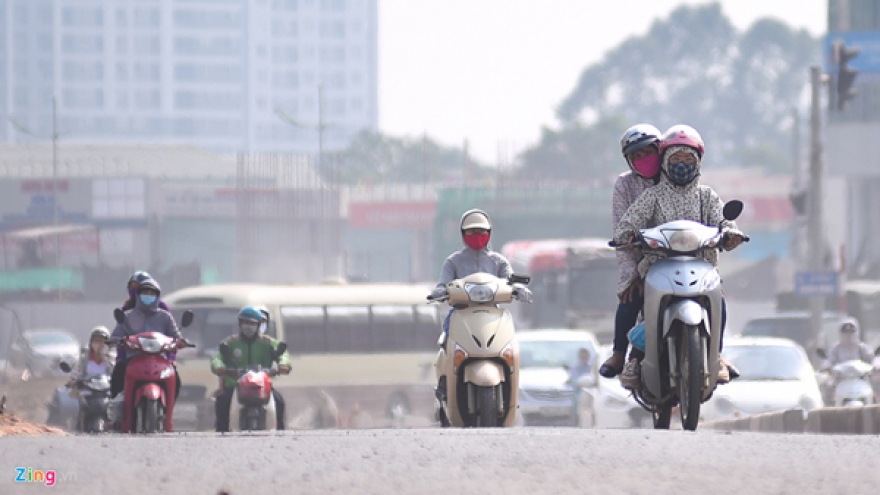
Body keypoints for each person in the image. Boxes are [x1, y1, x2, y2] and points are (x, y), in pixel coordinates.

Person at [613, 124, 745, 389]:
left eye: (688, 159)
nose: (682, 165)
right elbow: (627, 222)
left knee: (719, 299)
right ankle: (631, 357)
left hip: (702, 264)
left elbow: (723, 220)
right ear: (666, 162)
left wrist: (731, 233)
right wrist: (627, 236)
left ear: (698, 162)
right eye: (676, 159)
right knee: (638, 303)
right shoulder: (652, 195)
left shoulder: (706, 195)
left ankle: (716, 356)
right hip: (656, 264)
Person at [428, 208, 530, 399]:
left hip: (493, 313)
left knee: (509, 345)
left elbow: (509, 280)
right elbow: (443, 283)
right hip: (461, 313)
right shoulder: (453, 262)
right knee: (445, 339)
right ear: (462, 234)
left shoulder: (499, 261)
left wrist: (518, 288)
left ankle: (512, 381)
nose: (476, 236)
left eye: (481, 232)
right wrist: (440, 292)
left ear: (489, 233)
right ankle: (444, 381)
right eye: (471, 232)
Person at [599, 124, 663, 379]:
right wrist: (631, 275)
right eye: (635, 156)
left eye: (647, 152)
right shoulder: (625, 185)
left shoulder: (678, 177)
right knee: (629, 299)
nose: (643, 159)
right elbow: (620, 232)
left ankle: (715, 354)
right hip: (642, 263)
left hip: (682, 257)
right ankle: (619, 353)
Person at [210, 306, 291, 432]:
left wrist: (283, 365)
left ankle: (280, 433)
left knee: (279, 401)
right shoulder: (230, 343)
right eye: (245, 322)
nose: (249, 326)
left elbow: (283, 353)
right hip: (235, 385)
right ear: (240, 324)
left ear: (258, 325)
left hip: (262, 385)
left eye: (252, 323)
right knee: (222, 401)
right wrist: (219, 366)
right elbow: (217, 357)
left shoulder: (267, 343)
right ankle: (222, 433)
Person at [110, 277, 187, 398]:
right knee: (118, 372)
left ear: (158, 296)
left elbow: (176, 336)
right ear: (138, 295)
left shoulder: (165, 317)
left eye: (152, 293)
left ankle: (168, 408)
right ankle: (116, 406)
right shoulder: (127, 316)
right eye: (145, 292)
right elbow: (116, 335)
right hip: (133, 359)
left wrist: (181, 342)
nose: (148, 295)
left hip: (160, 360)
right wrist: (116, 340)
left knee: (175, 379)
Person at [67, 326, 113, 397]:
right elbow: (76, 372)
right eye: (96, 341)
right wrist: (74, 380)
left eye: (102, 341)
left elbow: (117, 374)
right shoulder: (84, 359)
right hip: (88, 392)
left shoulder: (112, 359)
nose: (99, 344)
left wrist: (105, 357)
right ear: (91, 343)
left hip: (107, 392)